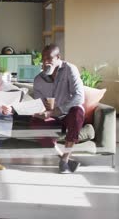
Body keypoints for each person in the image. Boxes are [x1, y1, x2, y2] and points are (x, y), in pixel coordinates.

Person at [33, 44, 85, 174]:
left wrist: (57, 111)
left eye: (49, 59)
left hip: (68, 114)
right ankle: (64, 159)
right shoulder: (38, 79)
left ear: (58, 58)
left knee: (78, 111)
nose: (45, 63)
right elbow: (38, 103)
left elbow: (79, 96)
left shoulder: (70, 69)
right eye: (43, 59)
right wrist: (40, 112)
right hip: (52, 117)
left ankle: (65, 159)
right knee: (34, 122)